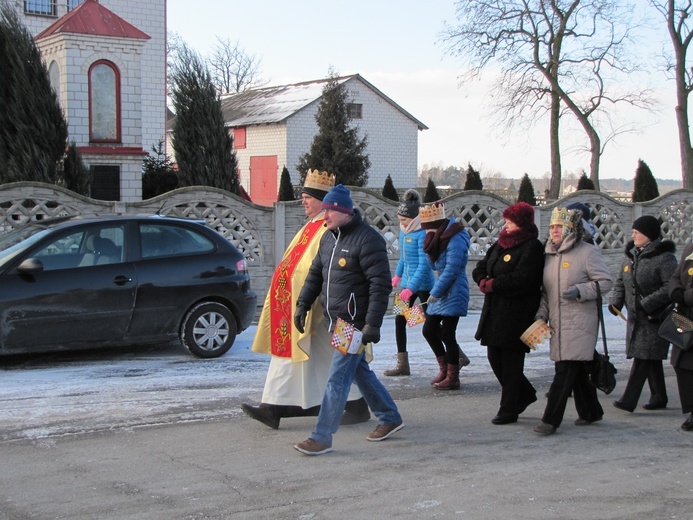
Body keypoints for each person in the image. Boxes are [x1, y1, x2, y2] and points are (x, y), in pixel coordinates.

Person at [241, 171, 369, 429]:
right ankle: (353, 405)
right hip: (307, 307)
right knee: (318, 357)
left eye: (308, 197)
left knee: (346, 360)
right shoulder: (312, 225)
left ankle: (375, 412)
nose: (303, 202)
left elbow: (331, 270)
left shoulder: (332, 228)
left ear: (325, 202)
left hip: (332, 310)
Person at [292, 185, 403, 455]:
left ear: (343, 211)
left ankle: (321, 437)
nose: (325, 215)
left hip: (353, 324)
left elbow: (380, 286)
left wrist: (372, 324)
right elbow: (315, 275)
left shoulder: (368, 240)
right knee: (358, 372)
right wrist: (303, 304)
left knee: (338, 379)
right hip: (336, 320)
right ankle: (389, 416)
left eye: (329, 210)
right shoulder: (328, 238)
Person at [533, 207, 613, 435]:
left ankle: (550, 421)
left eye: (559, 226)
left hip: (580, 321)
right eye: (552, 227)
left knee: (565, 370)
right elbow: (547, 293)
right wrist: (542, 314)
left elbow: (605, 282)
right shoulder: (548, 255)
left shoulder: (587, 252)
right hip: (558, 323)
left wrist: (580, 290)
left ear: (570, 228)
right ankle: (591, 411)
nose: (555, 231)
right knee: (574, 368)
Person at [472, 202, 544, 424]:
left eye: (510, 221)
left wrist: (495, 284)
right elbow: (480, 267)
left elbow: (524, 278)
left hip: (517, 313)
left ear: (521, 223)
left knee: (512, 362)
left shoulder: (532, 247)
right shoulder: (500, 243)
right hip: (495, 312)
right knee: (494, 357)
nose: (506, 224)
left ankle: (509, 408)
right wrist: (483, 281)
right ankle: (525, 394)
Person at [609, 216, 677, 412]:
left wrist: (646, 304)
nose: (633, 235)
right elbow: (621, 281)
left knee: (643, 357)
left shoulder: (664, 258)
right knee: (650, 357)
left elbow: (669, 287)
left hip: (654, 317)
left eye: (637, 232)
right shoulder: (631, 255)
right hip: (636, 318)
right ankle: (659, 397)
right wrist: (616, 303)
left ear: (648, 235)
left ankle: (628, 400)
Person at [419, 201, 471, 390]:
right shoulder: (438, 237)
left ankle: (452, 376)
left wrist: (435, 292)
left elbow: (451, 269)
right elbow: (435, 266)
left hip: (454, 290)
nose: (425, 233)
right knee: (429, 330)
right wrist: (429, 246)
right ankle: (443, 368)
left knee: (448, 334)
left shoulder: (455, 237)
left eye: (427, 230)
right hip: (442, 290)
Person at [385, 189, 435, 377]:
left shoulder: (422, 234)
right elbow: (403, 258)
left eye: (404, 220)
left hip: (423, 285)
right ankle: (402, 364)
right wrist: (397, 276)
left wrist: (412, 287)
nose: (402, 223)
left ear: (414, 219)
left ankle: (454, 356)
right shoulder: (403, 232)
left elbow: (424, 265)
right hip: (407, 284)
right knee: (400, 319)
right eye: (400, 220)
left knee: (431, 324)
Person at [668, 241, 693, 431]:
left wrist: (686, 296)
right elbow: (677, 274)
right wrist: (675, 289)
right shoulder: (690, 246)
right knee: (681, 363)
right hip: (686, 316)